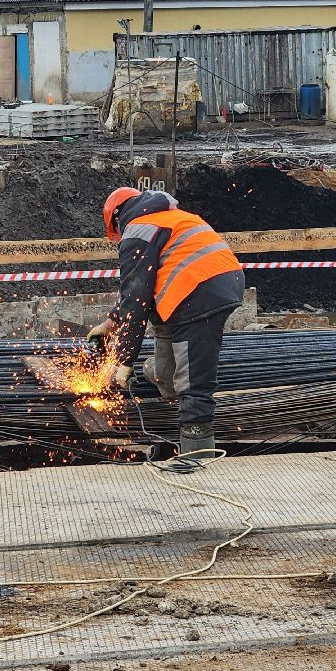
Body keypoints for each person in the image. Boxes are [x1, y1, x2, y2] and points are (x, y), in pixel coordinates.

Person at [87, 187, 246, 465]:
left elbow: (137, 299)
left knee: (192, 381)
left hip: (196, 294)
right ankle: (157, 372)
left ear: (115, 220)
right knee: (170, 373)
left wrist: (124, 361)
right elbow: (139, 289)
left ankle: (198, 455)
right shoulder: (169, 218)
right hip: (222, 283)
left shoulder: (137, 229)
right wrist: (111, 323)